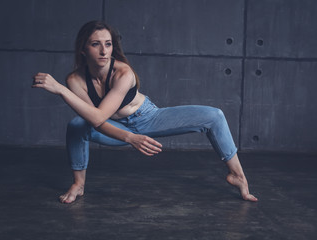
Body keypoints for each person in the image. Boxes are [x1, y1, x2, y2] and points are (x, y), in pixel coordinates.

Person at [32, 20, 258, 204]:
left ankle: (237, 175)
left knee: (214, 116)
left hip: (149, 119)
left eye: (108, 44)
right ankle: (78, 184)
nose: (104, 51)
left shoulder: (123, 73)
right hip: (116, 129)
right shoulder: (75, 80)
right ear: (83, 49)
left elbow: (98, 116)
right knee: (76, 126)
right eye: (95, 44)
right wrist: (129, 137)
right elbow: (95, 120)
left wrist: (59, 90)